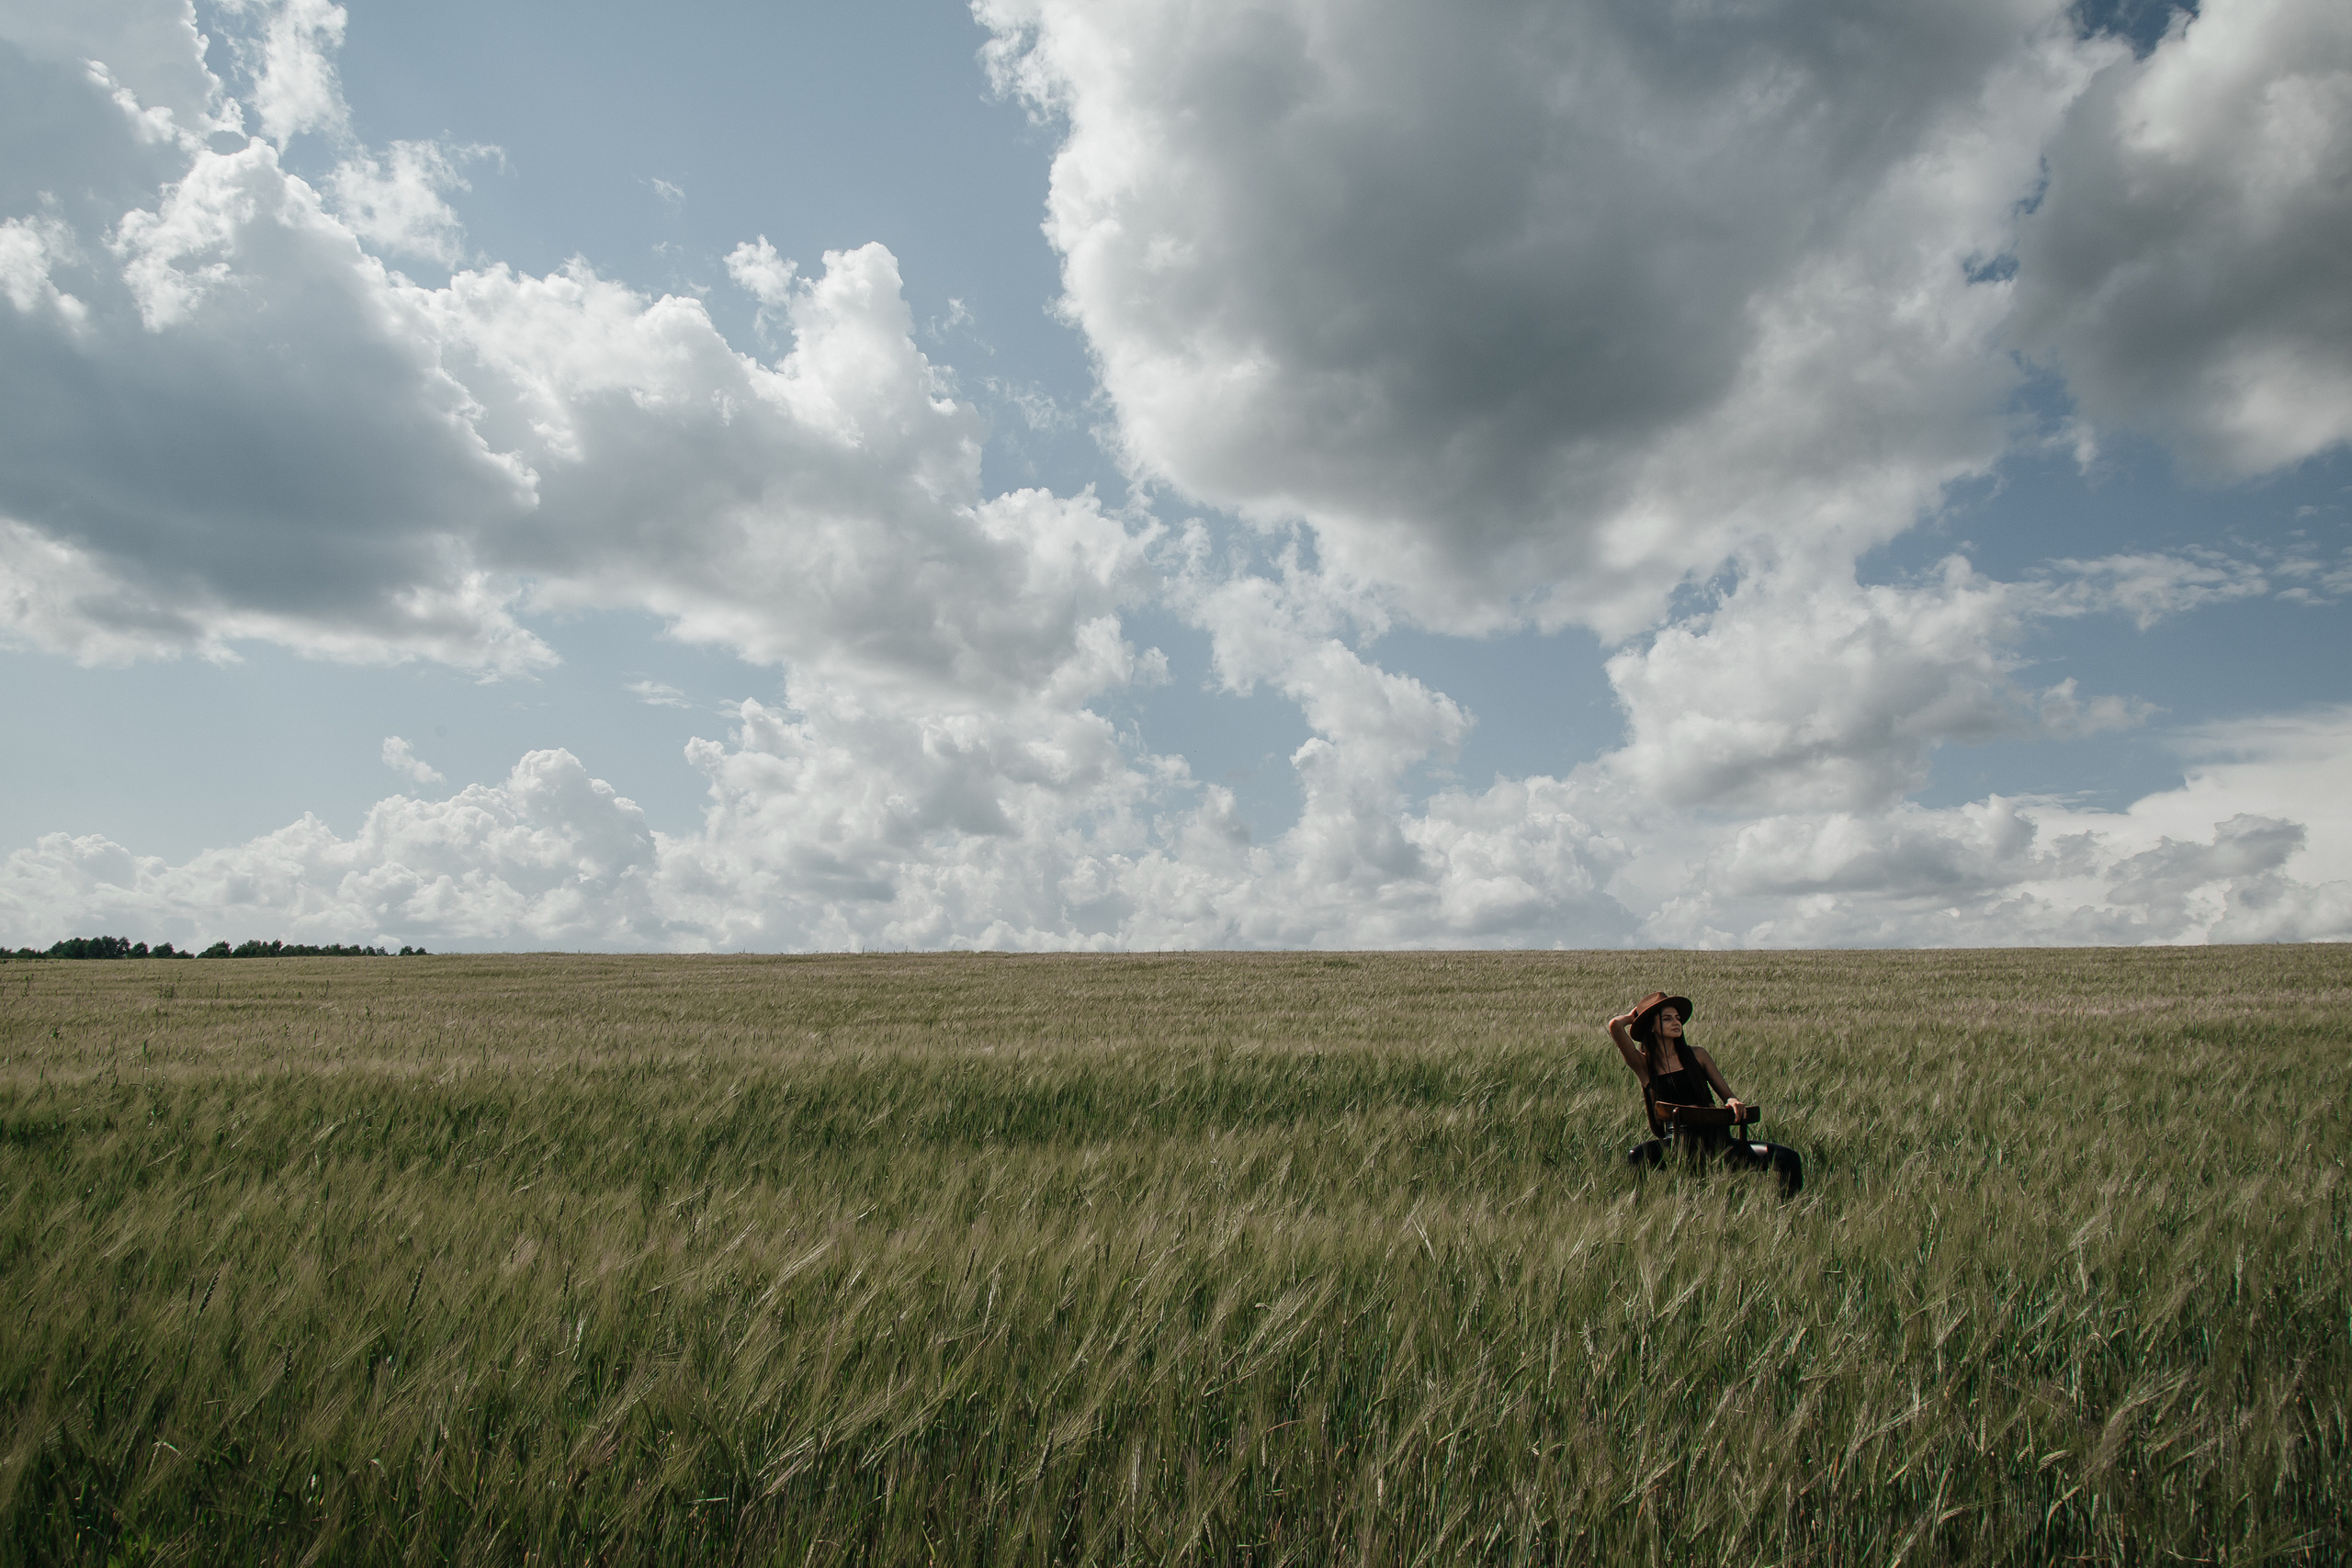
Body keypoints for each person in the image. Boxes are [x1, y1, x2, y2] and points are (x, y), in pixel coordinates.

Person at [1607, 992, 1803, 1198]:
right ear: (1651, 1027)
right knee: (1636, 1156)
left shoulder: (1697, 1055)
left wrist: (1734, 1102)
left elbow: (1728, 1095)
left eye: (1678, 1018)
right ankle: (1639, 1212)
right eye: (1667, 1018)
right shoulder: (1645, 1066)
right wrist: (1633, 1018)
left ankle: (1786, 1211)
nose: (1676, 1023)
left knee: (1787, 1157)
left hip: (1718, 1141)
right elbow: (1615, 1026)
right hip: (1678, 1146)